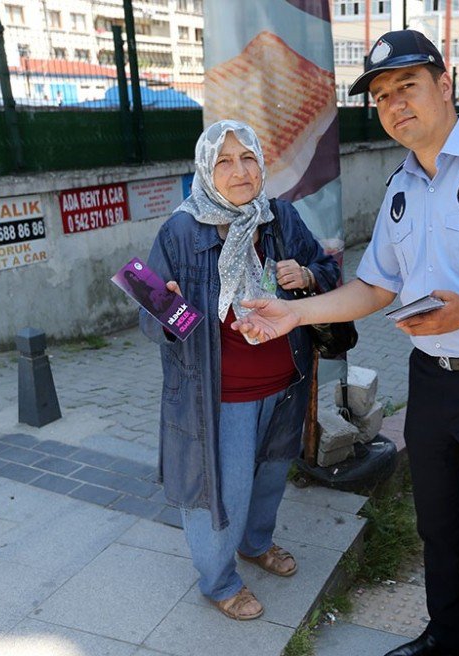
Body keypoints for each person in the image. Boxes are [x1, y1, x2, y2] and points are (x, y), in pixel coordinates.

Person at [234, 29, 459, 656]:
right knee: (439, 525)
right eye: (380, 95)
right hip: (432, 381)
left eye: (408, 86)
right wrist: (293, 313)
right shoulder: (402, 188)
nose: (395, 103)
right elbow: (374, 287)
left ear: (445, 86)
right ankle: (448, 636)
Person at [139, 120, 340, 621]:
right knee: (223, 491)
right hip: (219, 394)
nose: (239, 170)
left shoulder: (279, 218)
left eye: (248, 158)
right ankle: (219, 579)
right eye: (224, 161)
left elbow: (329, 268)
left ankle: (256, 544)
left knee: (272, 476)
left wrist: (308, 274)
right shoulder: (181, 232)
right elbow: (148, 311)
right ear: (206, 171)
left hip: (285, 384)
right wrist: (170, 311)